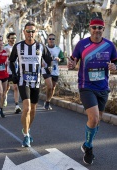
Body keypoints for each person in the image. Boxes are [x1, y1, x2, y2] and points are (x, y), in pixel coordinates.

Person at [68, 18, 117, 165]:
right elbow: (72, 62)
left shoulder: (110, 46)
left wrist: (115, 68)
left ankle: (86, 144)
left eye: (100, 28)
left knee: (97, 121)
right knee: (94, 118)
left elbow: (115, 63)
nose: (97, 30)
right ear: (90, 28)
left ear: (103, 29)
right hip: (86, 86)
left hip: (103, 88)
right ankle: (89, 149)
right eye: (94, 27)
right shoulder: (82, 44)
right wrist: (71, 64)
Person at [9, 21, 52, 147]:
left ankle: (26, 128)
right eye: (28, 31)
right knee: (26, 108)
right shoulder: (18, 46)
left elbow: (48, 60)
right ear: (24, 32)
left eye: (33, 31)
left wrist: (46, 68)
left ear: (36, 32)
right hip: (23, 81)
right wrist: (14, 75)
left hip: (36, 82)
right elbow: (11, 61)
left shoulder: (41, 47)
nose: (30, 34)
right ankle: (26, 135)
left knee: (33, 110)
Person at [42, 33, 64, 110]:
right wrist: (41, 62)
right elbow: (38, 57)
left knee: (53, 88)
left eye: (53, 39)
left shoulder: (58, 49)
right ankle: (47, 102)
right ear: (47, 40)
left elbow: (63, 59)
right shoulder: (44, 48)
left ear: (55, 40)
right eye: (50, 39)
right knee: (49, 86)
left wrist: (59, 59)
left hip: (55, 70)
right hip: (46, 69)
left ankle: (47, 101)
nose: (51, 40)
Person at [4, 32, 21, 113]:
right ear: (8, 39)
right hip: (7, 71)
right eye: (12, 38)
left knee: (15, 87)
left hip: (15, 71)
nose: (13, 39)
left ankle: (17, 105)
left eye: (14, 38)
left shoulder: (18, 47)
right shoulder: (5, 48)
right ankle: (5, 98)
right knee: (6, 88)